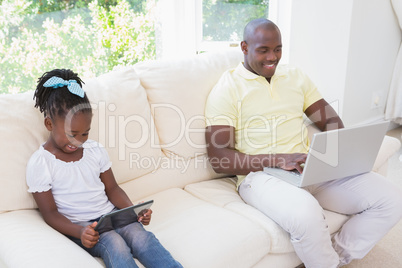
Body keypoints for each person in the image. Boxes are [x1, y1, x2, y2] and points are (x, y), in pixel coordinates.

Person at [205, 18, 402, 268]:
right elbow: (219, 158)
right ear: (244, 48)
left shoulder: (294, 76)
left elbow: (331, 121)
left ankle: (334, 259)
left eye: (278, 49)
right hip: (260, 176)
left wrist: (334, 157)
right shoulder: (227, 89)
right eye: (263, 50)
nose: (272, 58)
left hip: (309, 168)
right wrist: (278, 159)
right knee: (306, 213)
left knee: (392, 199)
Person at [26, 69, 182, 268]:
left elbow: (113, 189)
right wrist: (80, 232)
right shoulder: (41, 163)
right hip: (80, 228)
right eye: (72, 133)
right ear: (49, 124)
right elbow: (50, 213)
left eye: (85, 133)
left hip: (110, 215)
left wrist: (132, 212)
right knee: (115, 243)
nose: (79, 141)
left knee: (141, 236)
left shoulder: (94, 150)